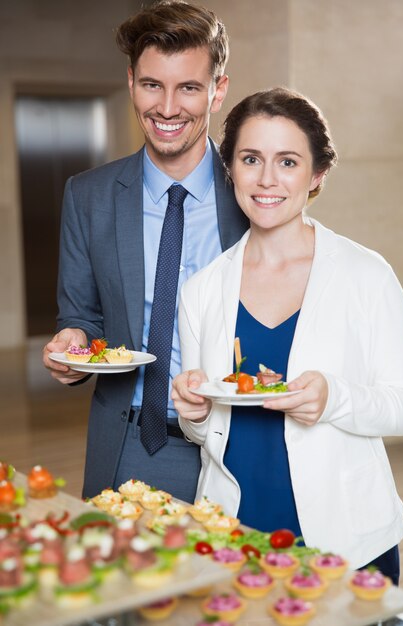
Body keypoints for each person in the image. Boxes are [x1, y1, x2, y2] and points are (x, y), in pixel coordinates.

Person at [172, 86, 403, 582]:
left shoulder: (366, 275)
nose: (266, 179)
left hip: (346, 536)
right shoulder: (201, 290)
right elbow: (207, 430)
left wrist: (334, 398)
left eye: (287, 162)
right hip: (231, 533)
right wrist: (193, 413)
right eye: (250, 159)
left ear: (317, 174)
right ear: (230, 169)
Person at [42, 0, 248, 502]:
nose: (168, 107)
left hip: (239, 445)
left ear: (218, 90)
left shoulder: (253, 196)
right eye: (153, 84)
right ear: (131, 81)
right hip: (130, 441)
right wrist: (73, 344)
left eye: (189, 88)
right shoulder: (87, 196)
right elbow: (83, 318)